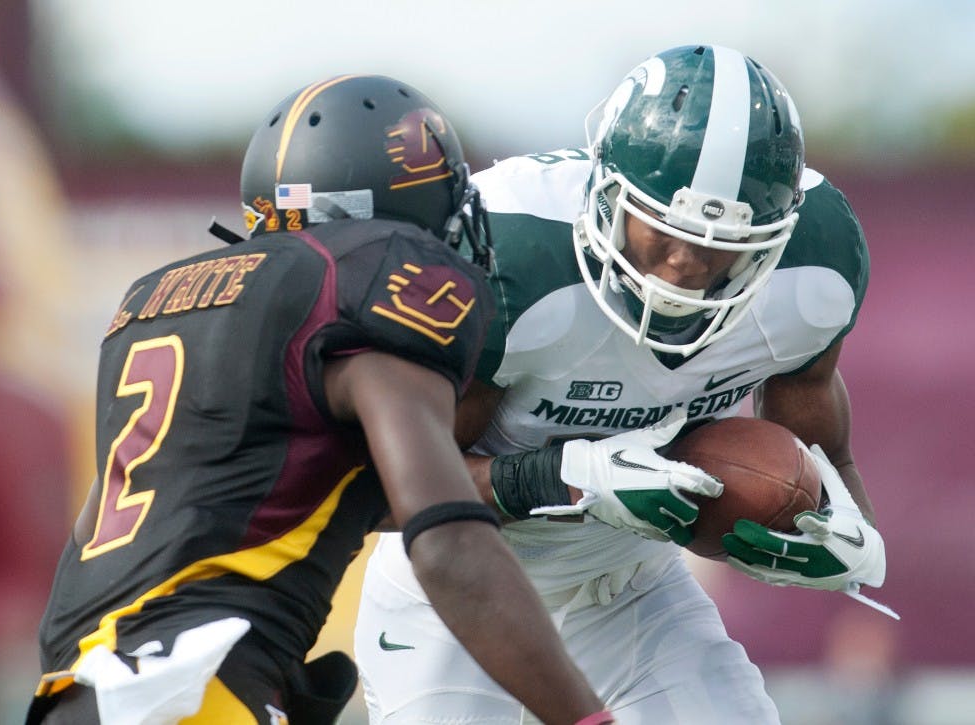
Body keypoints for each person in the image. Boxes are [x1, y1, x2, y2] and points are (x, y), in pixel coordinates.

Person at [26, 75, 612, 725]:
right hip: (200, 694)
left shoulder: (151, 302)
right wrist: (587, 717)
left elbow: (108, 541)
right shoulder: (367, 289)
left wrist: (530, 478)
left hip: (75, 694)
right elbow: (446, 542)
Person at [355, 45, 889, 723]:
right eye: (661, 227)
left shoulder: (815, 272)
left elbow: (823, 459)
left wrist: (848, 535)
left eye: (721, 245)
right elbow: (374, 491)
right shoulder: (509, 260)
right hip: (457, 593)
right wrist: (565, 476)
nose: (684, 264)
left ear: (775, 237)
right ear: (603, 193)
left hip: (631, 592)